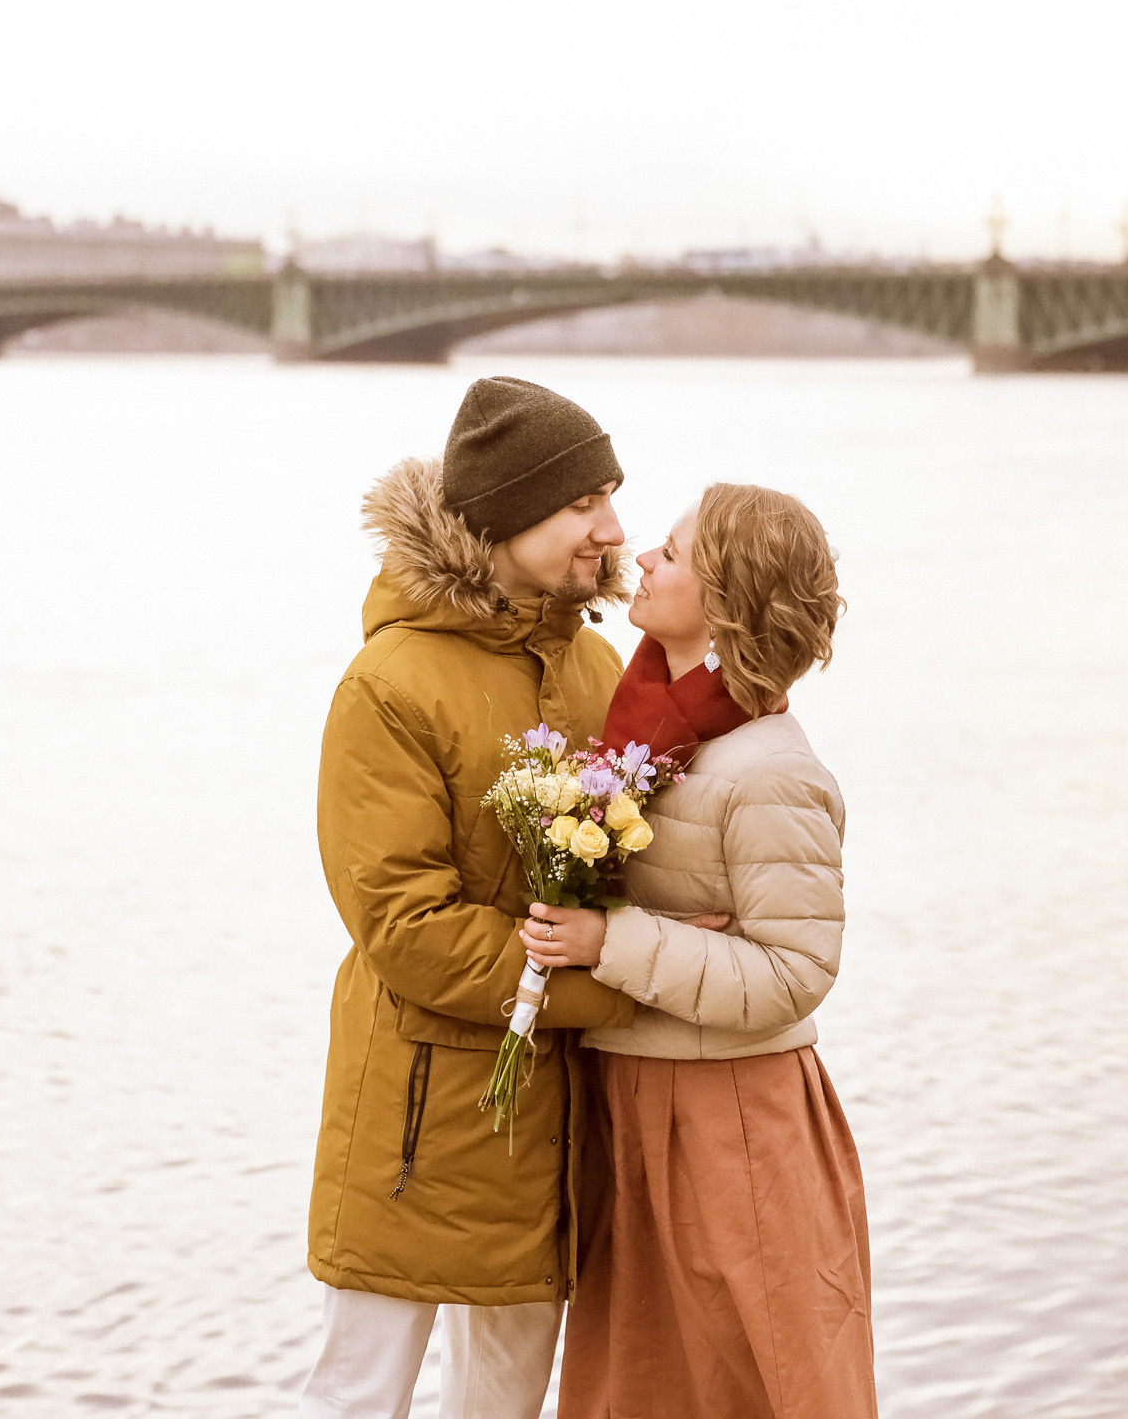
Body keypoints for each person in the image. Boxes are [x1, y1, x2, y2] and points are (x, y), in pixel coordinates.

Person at [300, 376, 639, 1419]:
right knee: (358, 1398)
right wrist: (612, 985)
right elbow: (406, 927)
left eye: (611, 498)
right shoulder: (391, 683)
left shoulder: (598, 665)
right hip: (411, 1125)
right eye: (584, 502)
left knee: (505, 1409)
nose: (612, 528)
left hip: (548, 1126)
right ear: (508, 514)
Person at [520, 483, 876, 1419]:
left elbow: (795, 974)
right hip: (634, 1105)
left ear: (725, 603)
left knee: (765, 1383)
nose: (640, 557)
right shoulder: (647, 734)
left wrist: (613, 940)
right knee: (642, 1389)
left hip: (734, 1124)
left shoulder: (770, 770)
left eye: (670, 555)